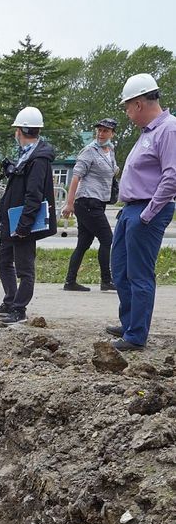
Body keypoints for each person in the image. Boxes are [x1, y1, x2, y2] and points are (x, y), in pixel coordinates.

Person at [107, 74, 176, 351]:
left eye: (126, 107)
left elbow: (172, 176)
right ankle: (129, 323)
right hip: (132, 209)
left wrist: (148, 213)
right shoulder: (149, 132)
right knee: (121, 269)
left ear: (138, 104)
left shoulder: (168, 129)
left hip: (147, 209)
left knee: (139, 274)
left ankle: (136, 335)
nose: (126, 113)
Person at [0, 106, 57, 325]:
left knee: (24, 268)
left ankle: (19, 309)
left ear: (20, 130)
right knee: (3, 260)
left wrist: (24, 225)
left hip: (23, 223)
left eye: (16, 130)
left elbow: (34, 195)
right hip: (13, 219)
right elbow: (19, 188)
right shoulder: (28, 156)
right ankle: (11, 300)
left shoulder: (38, 159)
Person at [63, 119, 119, 293]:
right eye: (99, 130)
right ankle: (106, 281)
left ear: (112, 133)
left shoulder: (110, 151)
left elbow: (113, 170)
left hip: (98, 202)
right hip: (87, 201)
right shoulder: (89, 151)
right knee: (107, 239)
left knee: (84, 243)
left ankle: (70, 282)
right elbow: (76, 177)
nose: (101, 134)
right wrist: (69, 203)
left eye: (105, 131)